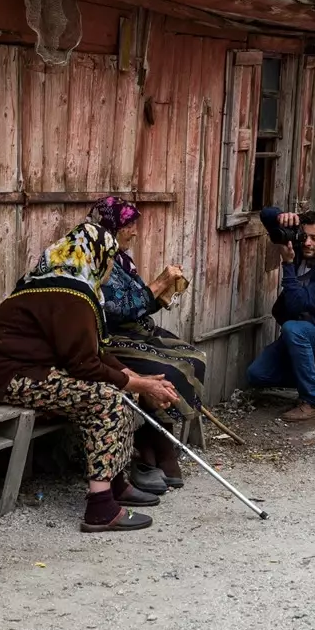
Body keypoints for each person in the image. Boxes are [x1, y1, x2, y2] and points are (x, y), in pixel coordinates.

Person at [0, 222, 179, 532]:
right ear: (98, 258)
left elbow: (90, 351)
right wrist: (141, 384)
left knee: (118, 392)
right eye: (110, 260)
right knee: (106, 399)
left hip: (29, 368)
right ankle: (100, 508)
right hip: (9, 374)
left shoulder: (60, 283)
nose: (110, 269)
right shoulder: (72, 294)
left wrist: (135, 377)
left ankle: (116, 482)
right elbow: (84, 365)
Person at [87, 196, 206, 492]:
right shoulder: (95, 259)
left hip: (135, 331)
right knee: (168, 371)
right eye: (129, 225)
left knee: (193, 358)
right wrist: (160, 282)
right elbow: (121, 308)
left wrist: (160, 293)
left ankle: (151, 449)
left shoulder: (121, 258)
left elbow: (139, 304)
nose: (135, 231)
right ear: (110, 227)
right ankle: (160, 449)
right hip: (107, 339)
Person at [247, 207, 315, 422]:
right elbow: (267, 219)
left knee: (293, 329)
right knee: (257, 374)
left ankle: (313, 402)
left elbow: (297, 305)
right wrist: (279, 216)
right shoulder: (303, 246)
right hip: (301, 334)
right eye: (305, 236)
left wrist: (287, 265)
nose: (307, 243)